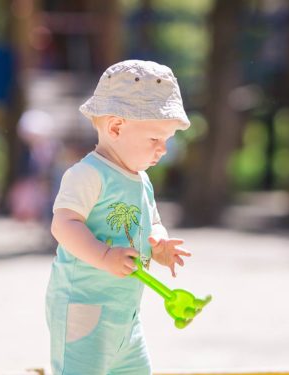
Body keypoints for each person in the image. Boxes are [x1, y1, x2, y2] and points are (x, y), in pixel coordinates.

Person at [46, 60, 192, 375]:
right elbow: (63, 224)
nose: (163, 149)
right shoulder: (88, 173)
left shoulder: (141, 179)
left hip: (125, 314)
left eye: (167, 140)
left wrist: (159, 244)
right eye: (155, 139)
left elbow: (152, 223)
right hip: (83, 307)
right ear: (115, 127)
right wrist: (103, 255)